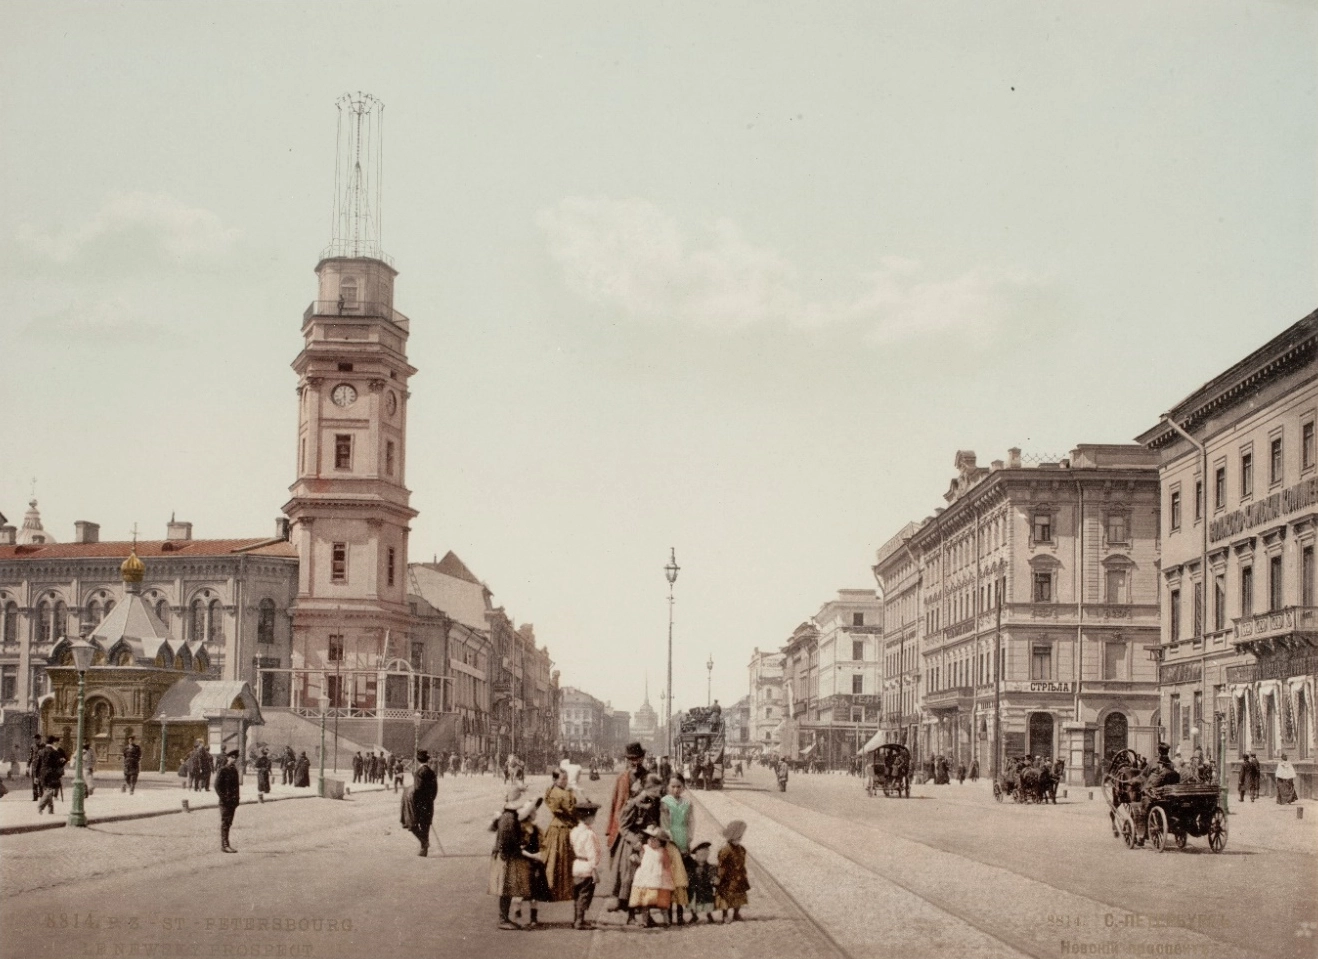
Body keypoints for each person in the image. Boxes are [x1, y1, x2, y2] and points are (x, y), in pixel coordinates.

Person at [605, 742, 648, 911]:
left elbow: (655, 801)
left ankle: (639, 902)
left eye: (637, 759)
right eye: (630, 759)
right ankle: (622, 899)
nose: (634, 762)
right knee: (623, 865)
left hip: (643, 826)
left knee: (642, 866)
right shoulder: (621, 778)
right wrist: (611, 827)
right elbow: (614, 802)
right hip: (624, 827)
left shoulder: (649, 777)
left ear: (642, 758)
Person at [488, 786, 530, 930]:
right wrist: (520, 843)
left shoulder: (507, 816)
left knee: (507, 889)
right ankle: (503, 919)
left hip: (506, 855)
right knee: (506, 889)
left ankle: (504, 918)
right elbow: (506, 839)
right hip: (507, 857)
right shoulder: (509, 818)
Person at [660, 776, 694, 925]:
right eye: (673, 786)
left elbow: (691, 821)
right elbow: (664, 823)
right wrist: (671, 840)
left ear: (683, 787)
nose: (676, 790)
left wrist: (688, 839)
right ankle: (668, 915)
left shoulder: (687, 803)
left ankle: (680, 915)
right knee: (670, 879)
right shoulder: (665, 802)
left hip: (683, 839)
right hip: (670, 841)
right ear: (668, 787)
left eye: (679, 786)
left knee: (681, 879)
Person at [630, 825, 678, 927]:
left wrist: (667, 875)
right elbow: (640, 859)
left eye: (655, 839)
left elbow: (667, 865)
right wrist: (635, 858)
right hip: (646, 879)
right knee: (645, 903)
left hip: (659, 880)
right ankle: (645, 921)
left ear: (661, 842)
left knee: (663, 904)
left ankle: (666, 921)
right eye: (650, 838)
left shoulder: (663, 851)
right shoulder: (645, 848)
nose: (651, 840)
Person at [542, 769, 577, 903]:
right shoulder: (563, 793)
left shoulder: (551, 790)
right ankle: (560, 890)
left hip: (555, 827)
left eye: (566, 778)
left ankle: (551, 889)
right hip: (562, 829)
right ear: (555, 780)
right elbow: (571, 810)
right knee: (562, 858)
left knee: (554, 859)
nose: (565, 781)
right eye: (562, 779)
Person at [569, 800, 602, 930]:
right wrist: (594, 870)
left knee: (577, 895)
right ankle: (579, 921)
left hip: (576, 865)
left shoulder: (574, 831)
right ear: (589, 817)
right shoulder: (589, 834)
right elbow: (591, 853)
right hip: (586, 866)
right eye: (593, 816)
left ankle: (576, 919)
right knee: (584, 894)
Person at [715, 819, 750, 923]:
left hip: (739, 877)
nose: (739, 839)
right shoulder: (725, 850)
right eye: (737, 837)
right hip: (728, 878)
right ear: (731, 838)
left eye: (740, 837)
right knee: (726, 897)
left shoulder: (741, 849)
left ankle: (736, 913)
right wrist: (720, 876)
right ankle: (725, 915)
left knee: (739, 896)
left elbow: (742, 861)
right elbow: (721, 865)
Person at [410, 750, 438, 855]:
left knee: (412, 825)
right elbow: (435, 789)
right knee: (425, 826)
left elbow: (418, 789)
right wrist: (430, 800)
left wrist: (414, 801)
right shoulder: (431, 772)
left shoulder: (419, 772)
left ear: (418, 760)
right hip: (429, 803)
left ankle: (424, 843)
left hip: (419, 803)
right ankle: (424, 850)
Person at [215, 750, 240, 853]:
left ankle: (226, 844)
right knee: (225, 822)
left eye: (236, 758)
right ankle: (225, 845)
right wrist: (224, 798)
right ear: (228, 758)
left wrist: (237, 799)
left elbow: (236, 787)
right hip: (225, 801)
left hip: (232, 801)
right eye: (232, 757)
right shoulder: (223, 770)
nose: (234, 759)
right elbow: (217, 786)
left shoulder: (234, 770)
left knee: (229, 822)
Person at [687, 842, 717, 924]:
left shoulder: (709, 867)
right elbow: (689, 875)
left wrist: (713, 879)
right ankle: (694, 915)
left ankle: (709, 915)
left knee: (708, 900)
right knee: (692, 901)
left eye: (706, 853)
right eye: (701, 854)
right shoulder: (692, 865)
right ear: (697, 854)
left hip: (706, 886)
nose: (703, 856)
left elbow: (712, 875)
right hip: (694, 887)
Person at [35, 736, 65, 815]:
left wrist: (36, 776)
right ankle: (40, 807)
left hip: (42, 773)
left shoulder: (41, 751)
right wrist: (62, 762)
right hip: (51, 773)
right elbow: (58, 765)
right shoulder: (55, 752)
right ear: (53, 742)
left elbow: (37, 765)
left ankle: (51, 810)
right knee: (49, 790)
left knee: (47, 790)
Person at [28, 734, 43, 801]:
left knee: (41, 782)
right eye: (35, 739)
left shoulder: (43, 746)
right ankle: (35, 796)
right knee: (34, 782)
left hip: (41, 767)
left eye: (37, 739)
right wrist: (28, 766)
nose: (35, 740)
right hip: (34, 766)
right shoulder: (32, 746)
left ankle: (42, 795)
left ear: (40, 739)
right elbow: (30, 756)